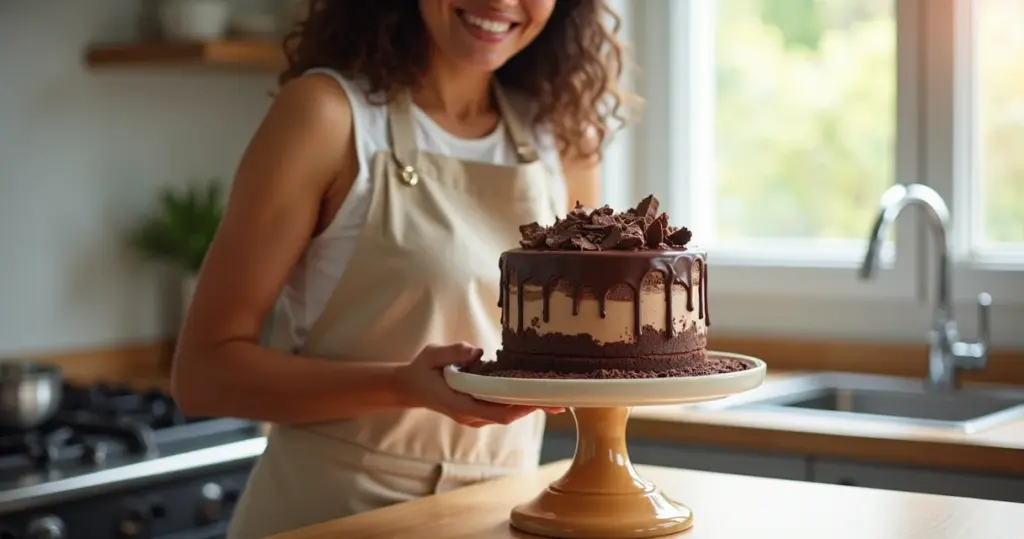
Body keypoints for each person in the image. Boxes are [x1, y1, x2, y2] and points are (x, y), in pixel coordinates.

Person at [170, 1, 633, 537]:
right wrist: (402, 385)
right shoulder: (326, 116)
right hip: (335, 512)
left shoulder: (564, 140)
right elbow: (203, 375)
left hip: (501, 511)